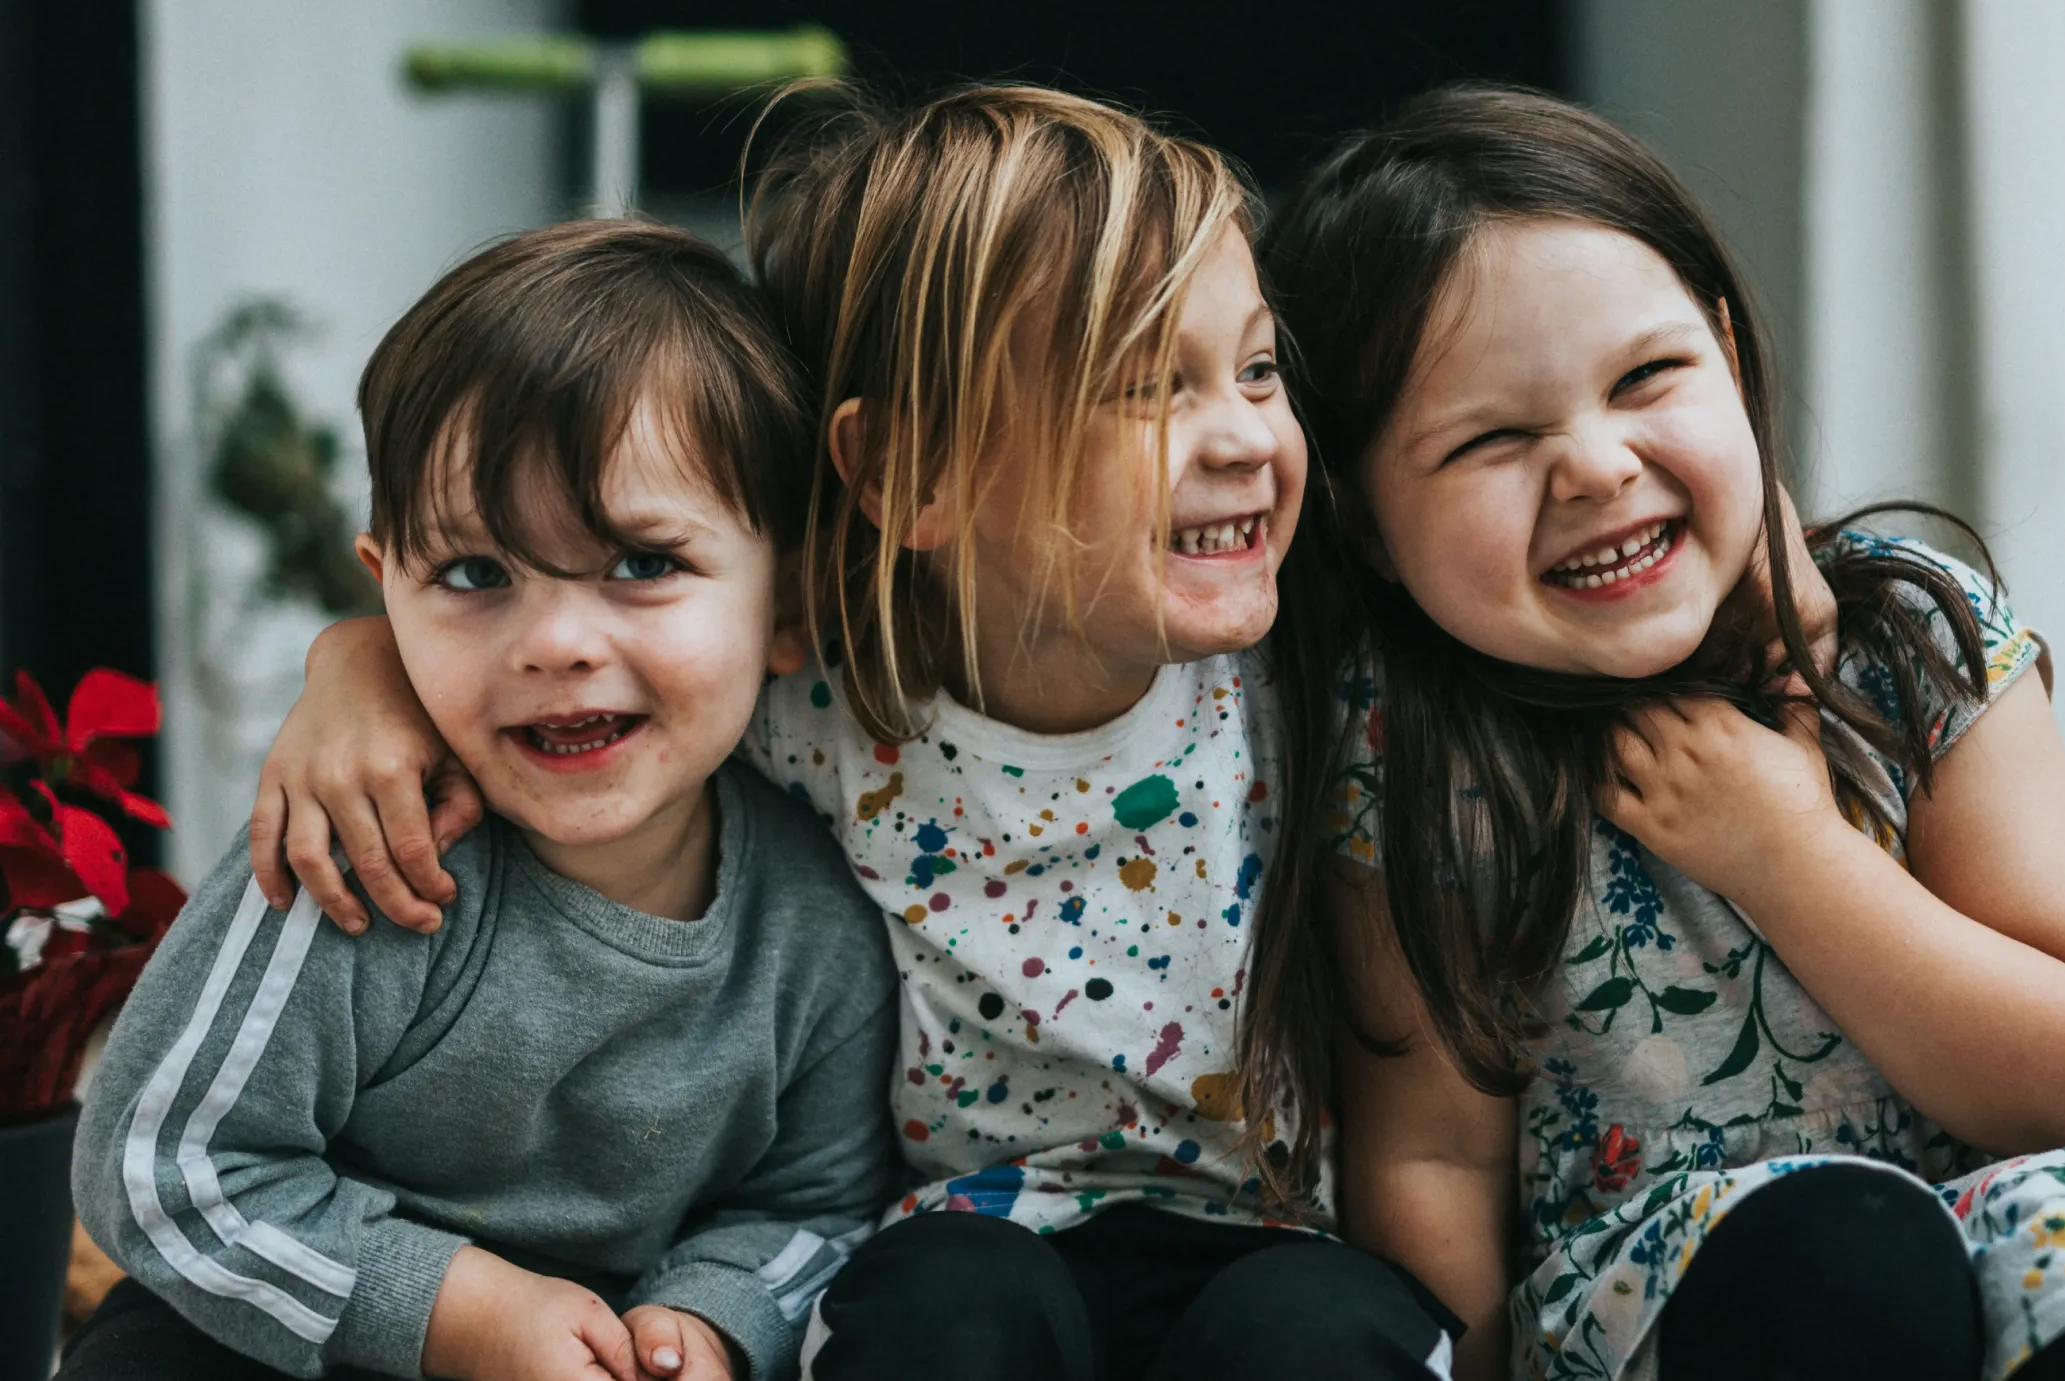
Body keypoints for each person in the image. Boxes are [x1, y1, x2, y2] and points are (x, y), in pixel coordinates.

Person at [236, 86, 1465, 1381]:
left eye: (1256, 368)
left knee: (1319, 1339)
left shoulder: (1317, 681)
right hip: (959, 1245)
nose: (1240, 436)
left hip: (1270, 1244)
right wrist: (362, 661)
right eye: (1137, 384)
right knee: (942, 1318)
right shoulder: (817, 701)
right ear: (908, 477)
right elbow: (601, 638)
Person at [1246, 84, 2065, 1381]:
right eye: (1492, 439)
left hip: (2002, 1220)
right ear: (1360, 523)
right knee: (1838, 1260)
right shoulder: (1413, 757)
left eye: (1645, 377)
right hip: (1671, 1284)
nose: (1593, 465)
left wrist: (1789, 853)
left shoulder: (1914, 642)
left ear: (1729, 360)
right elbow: (1431, 1156)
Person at [65, 221, 899, 1381]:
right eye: (473, 574)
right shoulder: (363, 853)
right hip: (306, 1327)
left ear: (792, 599)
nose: (555, 643)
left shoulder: (818, 928)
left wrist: (709, 1318)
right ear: (384, 593)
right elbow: (158, 1164)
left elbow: (818, 1205)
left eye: (643, 564)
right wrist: (452, 1311)